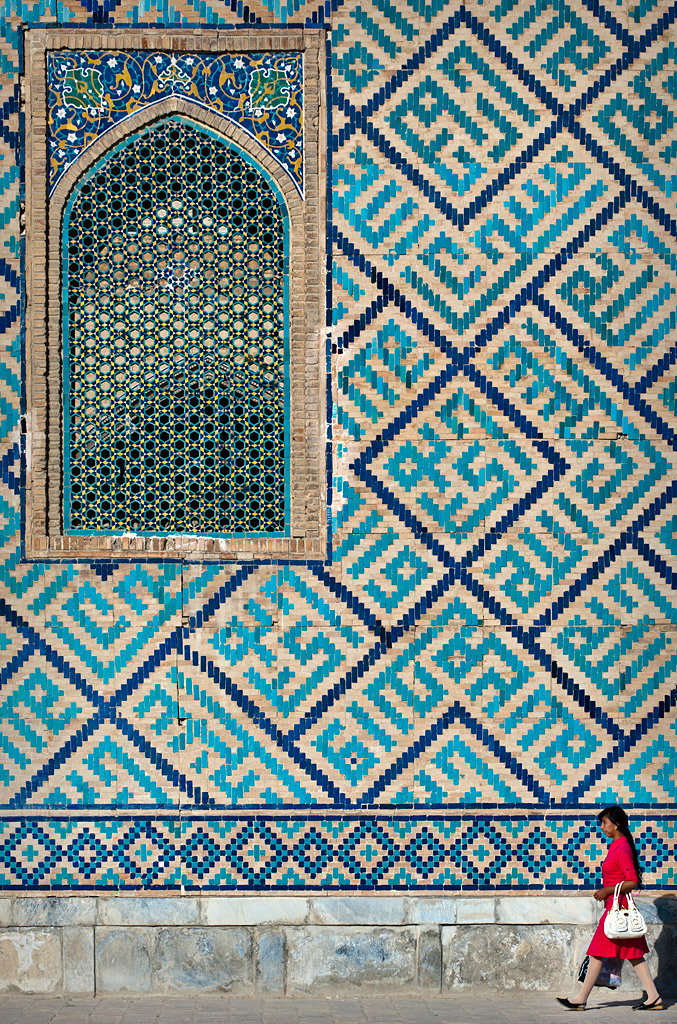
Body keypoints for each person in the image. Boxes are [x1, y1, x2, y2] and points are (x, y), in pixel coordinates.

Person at [556, 806, 663, 1012]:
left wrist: (606, 891)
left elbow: (632, 881)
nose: (602, 827)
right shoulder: (616, 845)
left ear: (617, 824)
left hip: (618, 908)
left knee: (598, 951)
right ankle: (654, 997)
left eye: (605, 823)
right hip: (614, 907)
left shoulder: (622, 847)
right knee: (632, 953)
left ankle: (581, 999)